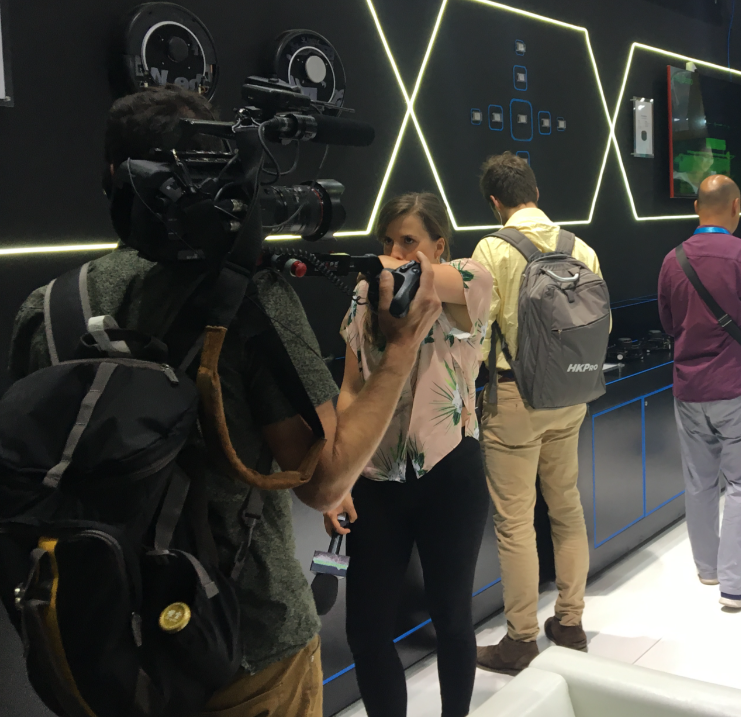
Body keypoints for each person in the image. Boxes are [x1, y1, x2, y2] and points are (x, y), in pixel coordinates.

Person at [6, 86, 443, 716]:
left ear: (113, 178)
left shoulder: (46, 309)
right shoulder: (249, 296)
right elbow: (324, 481)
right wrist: (401, 347)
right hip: (248, 646)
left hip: (104, 644)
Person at [324, 193, 492, 717]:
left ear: (439, 246)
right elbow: (350, 388)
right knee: (366, 630)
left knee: (452, 619)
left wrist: (386, 267)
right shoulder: (364, 295)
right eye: (387, 240)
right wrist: (339, 477)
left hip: (450, 472)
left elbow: (426, 280)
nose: (395, 251)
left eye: (409, 240)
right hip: (375, 478)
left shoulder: (467, 279)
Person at [471, 153, 600, 674]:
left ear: (495, 202)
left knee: (516, 523)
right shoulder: (581, 248)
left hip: (514, 399)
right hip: (571, 393)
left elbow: (477, 330)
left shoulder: (491, 248)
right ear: (536, 192)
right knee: (566, 507)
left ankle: (520, 639)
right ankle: (570, 622)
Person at [657, 175, 741, 610]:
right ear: (736, 207)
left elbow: (668, 323)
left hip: (689, 386)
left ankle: (708, 567)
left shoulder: (672, 260)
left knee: (699, 482)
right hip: (736, 383)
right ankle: (735, 584)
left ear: (697, 207)